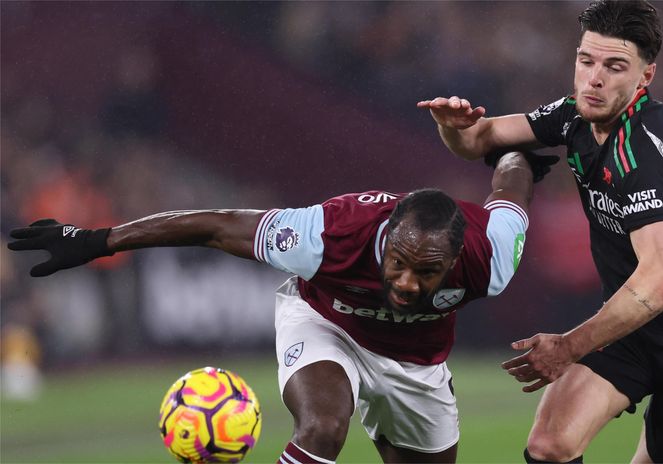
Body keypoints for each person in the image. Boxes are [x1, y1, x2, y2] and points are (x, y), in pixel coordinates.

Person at [7, 150, 557, 464]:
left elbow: (510, 191)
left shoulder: (491, 259)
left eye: (427, 272)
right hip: (325, 324)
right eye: (398, 262)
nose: (407, 283)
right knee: (323, 427)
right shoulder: (329, 232)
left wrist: (514, 152)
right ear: (386, 237)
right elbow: (214, 225)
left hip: (416, 364)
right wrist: (99, 240)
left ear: (457, 257)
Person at [418, 1, 663, 462]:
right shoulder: (574, 115)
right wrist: (453, 128)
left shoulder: (642, 153)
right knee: (549, 445)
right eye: (586, 61)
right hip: (637, 321)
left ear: (645, 77)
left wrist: (567, 346)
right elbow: (479, 139)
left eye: (614, 66)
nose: (594, 78)